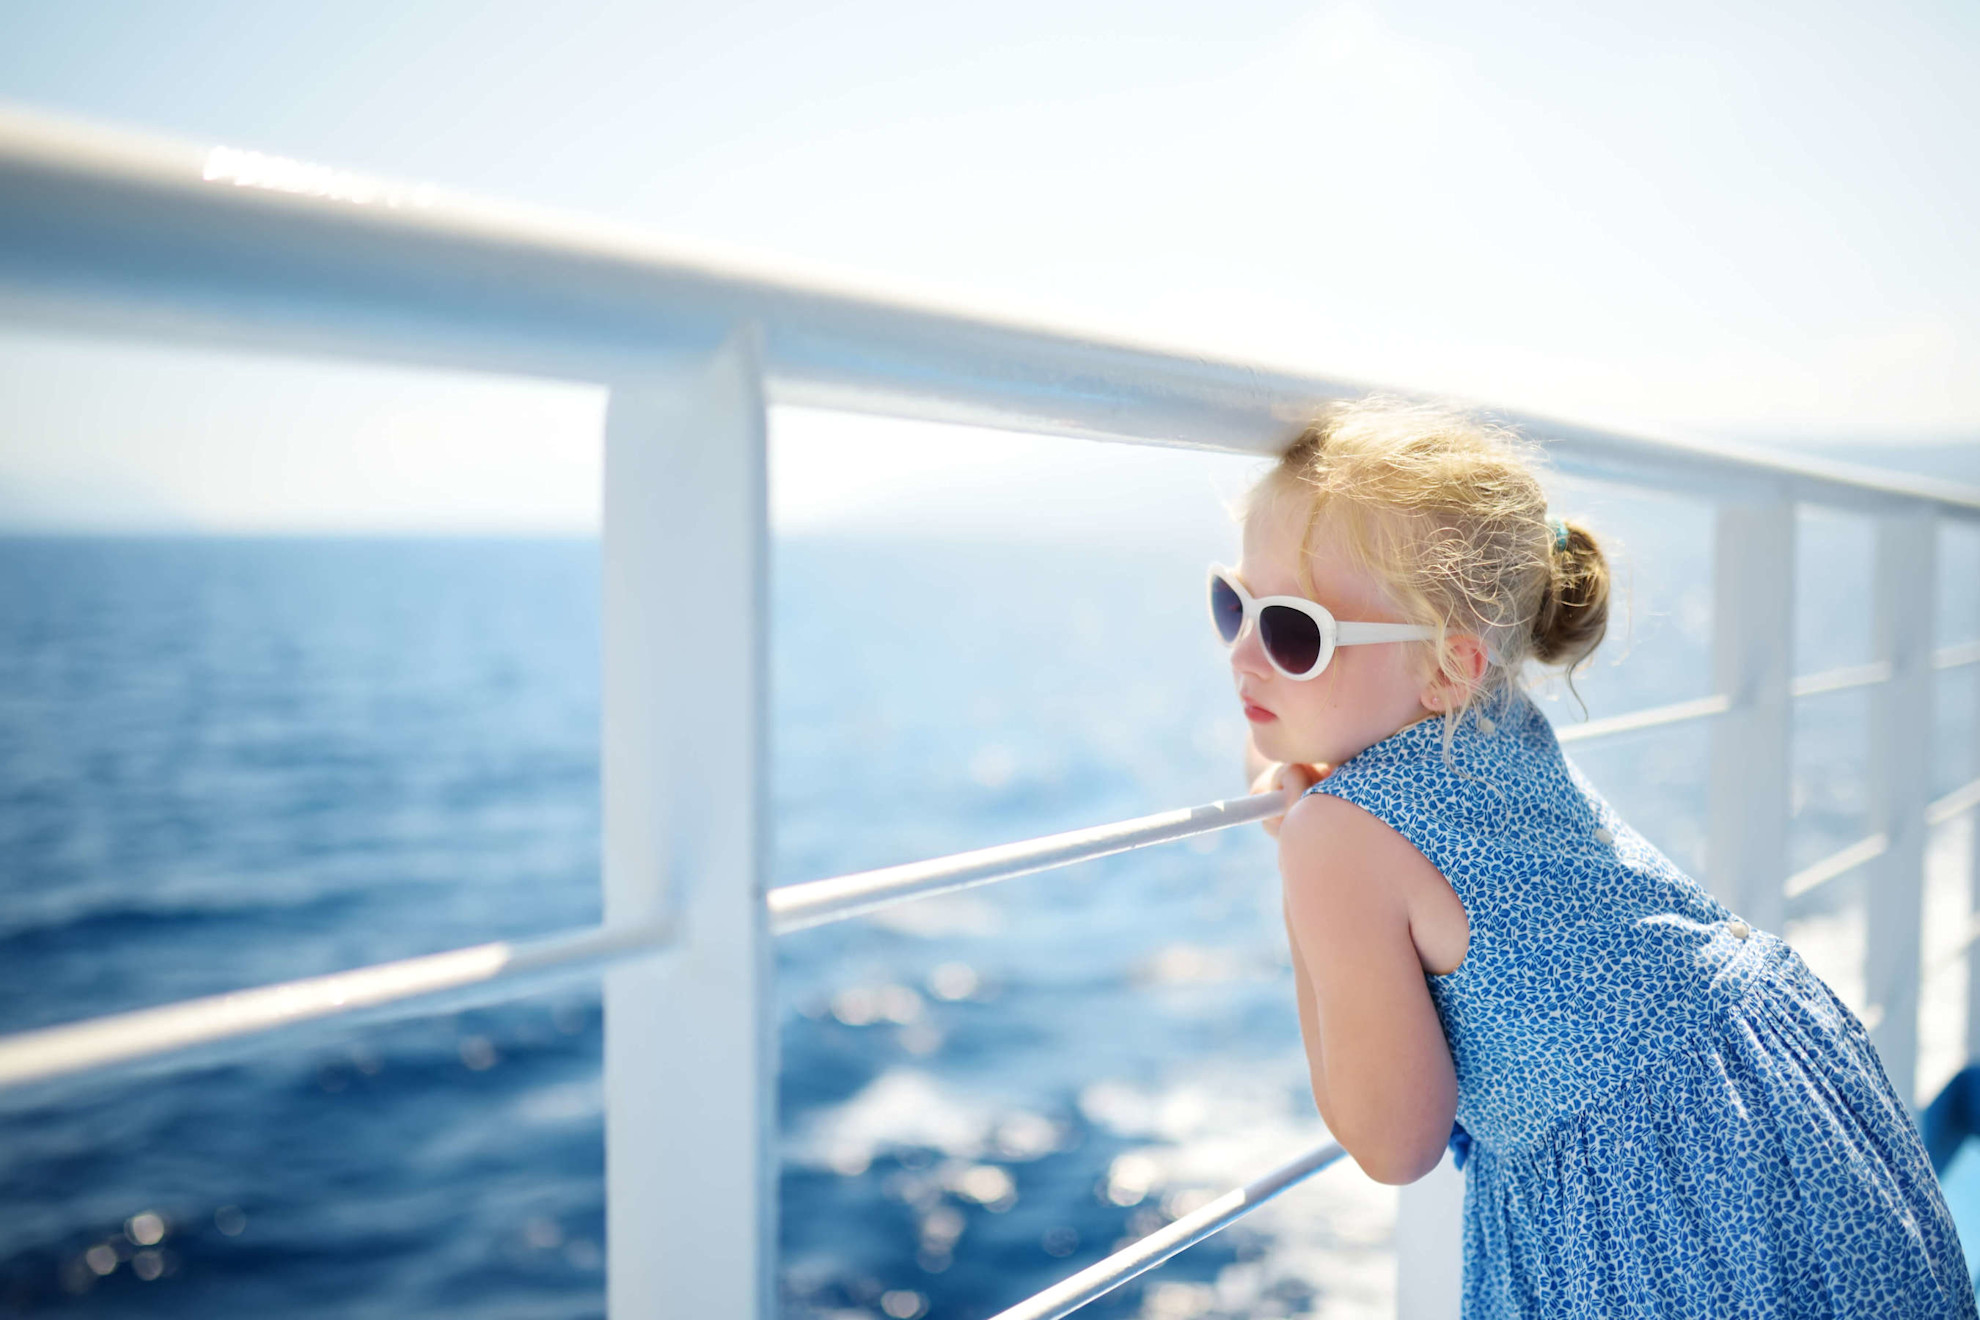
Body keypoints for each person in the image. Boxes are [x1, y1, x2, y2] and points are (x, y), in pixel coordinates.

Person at [1220, 396, 1975, 1316]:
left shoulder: (1336, 834)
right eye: (1234, 604)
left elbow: (1391, 1142)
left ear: (1451, 666)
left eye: (1295, 633)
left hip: (1651, 1196)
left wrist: (1299, 860)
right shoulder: (1488, 721)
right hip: (1777, 1090)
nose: (1244, 656)